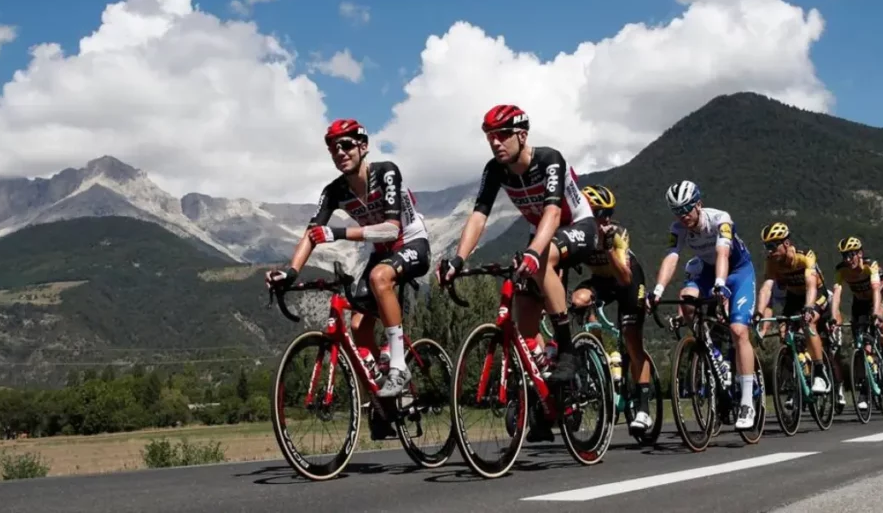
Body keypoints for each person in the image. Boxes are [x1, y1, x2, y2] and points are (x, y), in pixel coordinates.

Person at [264, 119, 431, 400]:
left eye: (346, 145)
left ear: (363, 147)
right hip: (381, 253)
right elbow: (312, 234)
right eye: (332, 147)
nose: (339, 151)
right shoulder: (334, 191)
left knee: (380, 277)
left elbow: (391, 229)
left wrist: (339, 232)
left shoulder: (386, 172)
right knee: (357, 328)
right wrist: (291, 273)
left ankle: (400, 367)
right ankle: (390, 395)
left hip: (411, 242)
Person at [437, 104, 598, 390]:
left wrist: (535, 253)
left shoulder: (549, 159)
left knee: (542, 258)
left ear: (522, 135)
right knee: (524, 309)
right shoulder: (496, 170)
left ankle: (567, 351)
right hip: (542, 234)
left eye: (503, 135)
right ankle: (541, 387)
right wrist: (458, 260)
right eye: (490, 137)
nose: (495, 142)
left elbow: (553, 213)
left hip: (577, 226)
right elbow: (478, 217)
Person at [647, 180, 759, 430]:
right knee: (686, 298)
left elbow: (722, 253)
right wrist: (657, 290)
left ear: (699, 204)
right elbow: (671, 257)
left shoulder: (721, 220)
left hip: (738, 271)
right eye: (677, 211)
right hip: (708, 271)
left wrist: (720, 283)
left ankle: (747, 401)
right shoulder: (678, 228)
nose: (683, 215)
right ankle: (711, 351)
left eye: (687, 208)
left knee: (739, 331)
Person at [570, 184, 653, 433]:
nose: (605, 219)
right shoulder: (577, 232)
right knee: (578, 300)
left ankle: (644, 409)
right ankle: (594, 357)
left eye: (609, 212)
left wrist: (606, 250)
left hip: (627, 278)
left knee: (631, 339)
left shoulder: (616, 233)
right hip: (601, 281)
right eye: (599, 213)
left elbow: (625, 278)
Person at [753, 222, 828, 395]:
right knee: (783, 332)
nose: (769, 250)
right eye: (766, 246)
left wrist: (809, 308)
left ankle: (819, 372)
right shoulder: (772, 261)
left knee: (809, 323)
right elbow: (766, 288)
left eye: (772, 246)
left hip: (816, 294)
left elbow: (811, 286)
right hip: (794, 297)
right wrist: (758, 312)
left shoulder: (804, 257)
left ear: (786, 244)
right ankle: (795, 383)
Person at [832, 235, 883, 406]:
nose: (848, 259)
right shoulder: (841, 269)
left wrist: (875, 313)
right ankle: (865, 390)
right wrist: (833, 315)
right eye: (844, 256)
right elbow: (837, 294)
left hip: (876, 299)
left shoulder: (870, 265)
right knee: (860, 348)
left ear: (860, 253)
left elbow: (875, 290)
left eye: (851, 254)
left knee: (879, 318)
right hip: (859, 303)